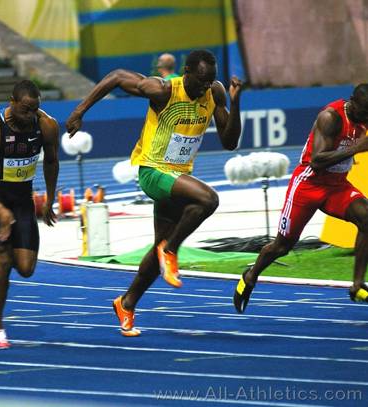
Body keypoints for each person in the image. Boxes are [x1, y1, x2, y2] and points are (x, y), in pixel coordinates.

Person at [66, 49, 242, 336]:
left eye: (210, 81)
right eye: (200, 81)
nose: (204, 87)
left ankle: (126, 302)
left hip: (177, 177)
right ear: (186, 73)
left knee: (159, 243)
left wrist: (235, 103)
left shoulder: (214, 92)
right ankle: (171, 250)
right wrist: (79, 111)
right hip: (153, 171)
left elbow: (230, 142)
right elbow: (117, 76)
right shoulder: (163, 90)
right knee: (208, 199)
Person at [234, 84, 368, 312]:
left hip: (337, 186)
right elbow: (317, 161)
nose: (366, 118)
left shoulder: (364, 116)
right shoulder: (331, 118)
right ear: (352, 101)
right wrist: (356, 148)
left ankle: (357, 285)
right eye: (364, 112)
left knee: (366, 217)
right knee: (282, 246)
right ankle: (250, 276)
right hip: (308, 185)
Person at [0, 80, 59, 349]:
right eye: (25, 110)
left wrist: (50, 198)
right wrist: (0, 211)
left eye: (35, 110)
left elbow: (52, 160)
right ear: (12, 102)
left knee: (26, 268)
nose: (30, 115)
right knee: (4, 262)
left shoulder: (47, 126)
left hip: (21, 200)